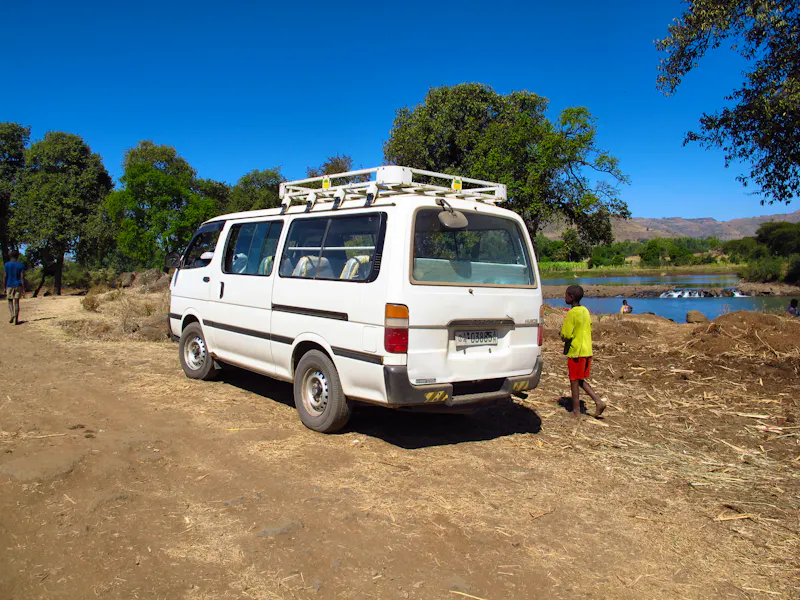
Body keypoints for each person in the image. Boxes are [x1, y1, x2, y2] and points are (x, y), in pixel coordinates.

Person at [560, 285, 606, 419]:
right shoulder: (585, 310)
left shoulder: (572, 313)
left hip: (576, 351)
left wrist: (562, 335)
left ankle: (576, 411)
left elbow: (567, 334)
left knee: (574, 380)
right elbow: (589, 326)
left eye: (566, 295)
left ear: (571, 297)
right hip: (587, 350)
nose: (565, 297)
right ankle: (598, 401)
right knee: (579, 379)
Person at [3, 251, 25, 325]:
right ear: (17, 256)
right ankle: (16, 319)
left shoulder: (6, 264)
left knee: (10, 301)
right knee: (16, 302)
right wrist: (23, 287)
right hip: (18, 285)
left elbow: (5, 276)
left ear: (10, 256)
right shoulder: (21, 265)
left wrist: (4, 286)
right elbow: (22, 277)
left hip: (9, 285)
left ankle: (12, 314)